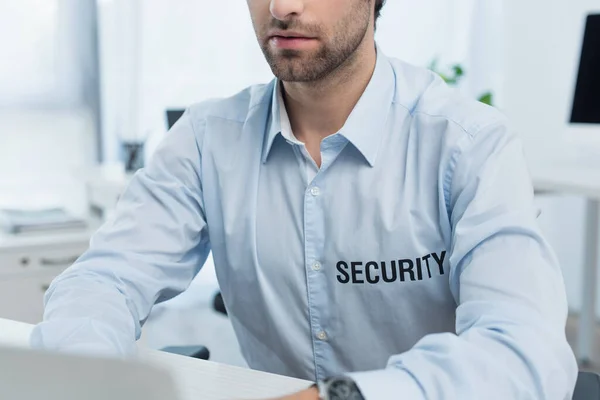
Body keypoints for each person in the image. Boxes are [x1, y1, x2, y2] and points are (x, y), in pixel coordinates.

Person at [32, 0, 577, 399]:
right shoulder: (206, 139)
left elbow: (524, 350)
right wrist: (89, 376)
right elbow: (103, 280)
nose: (282, 7)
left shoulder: (469, 143)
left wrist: (335, 397)